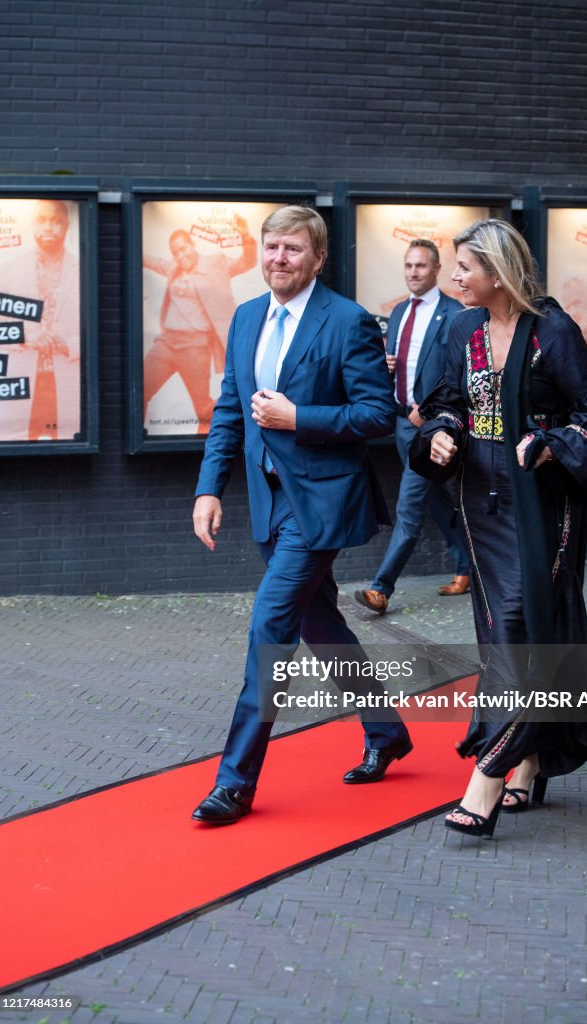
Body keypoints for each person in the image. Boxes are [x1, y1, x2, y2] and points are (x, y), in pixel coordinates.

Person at [191, 205, 412, 825]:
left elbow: (375, 415)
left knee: (270, 627)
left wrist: (299, 418)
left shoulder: (347, 322)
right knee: (321, 625)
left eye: (292, 249)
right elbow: (230, 411)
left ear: (317, 258)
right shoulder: (245, 317)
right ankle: (387, 730)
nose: (278, 259)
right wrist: (209, 490)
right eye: (270, 248)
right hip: (269, 500)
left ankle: (234, 783)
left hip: (320, 502)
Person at [411, 219, 587, 839]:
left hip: (541, 504)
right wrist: (443, 430)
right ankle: (524, 766)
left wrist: (553, 444)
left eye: (464, 269)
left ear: (497, 273)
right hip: (481, 501)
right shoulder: (461, 327)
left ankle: (487, 776)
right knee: (502, 633)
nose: (454, 279)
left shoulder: (551, 331)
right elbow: (446, 398)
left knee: (524, 629)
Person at [354, 239, 469, 615]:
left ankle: (381, 588)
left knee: (409, 504)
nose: (413, 272)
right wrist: (383, 368)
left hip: (430, 425)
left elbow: (460, 374)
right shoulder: (400, 312)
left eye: (421, 266)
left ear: (436, 270)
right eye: (408, 266)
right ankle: (468, 566)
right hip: (401, 423)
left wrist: (431, 410)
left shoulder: (454, 314)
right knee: (435, 499)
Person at [143, 218, 256, 433]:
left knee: (203, 409)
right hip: (166, 343)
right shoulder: (173, 268)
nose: (180, 255)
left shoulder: (216, 264)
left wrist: (245, 238)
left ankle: (213, 447)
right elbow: (150, 260)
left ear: (193, 245)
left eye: (183, 249)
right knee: (140, 389)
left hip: (195, 346)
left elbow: (246, 262)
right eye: (175, 252)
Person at [0, 199, 80, 440]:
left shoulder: (82, 269)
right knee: (15, 454)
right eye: (42, 220)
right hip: (22, 383)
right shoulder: (9, 269)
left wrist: (67, 344)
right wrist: (26, 335)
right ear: (32, 225)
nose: (49, 227)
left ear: (67, 226)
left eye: (56, 221)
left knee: (67, 458)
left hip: (67, 386)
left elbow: (100, 333)